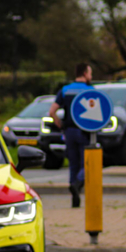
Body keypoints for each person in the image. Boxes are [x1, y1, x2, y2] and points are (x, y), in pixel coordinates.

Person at [49, 63, 94, 208]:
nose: (91, 76)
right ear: (85, 73)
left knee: (73, 164)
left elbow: (52, 111)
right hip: (84, 131)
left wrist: (60, 124)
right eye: (90, 73)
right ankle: (78, 183)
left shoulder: (65, 90)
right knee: (86, 163)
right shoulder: (90, 90)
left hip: (68, 132)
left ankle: (74, 197)